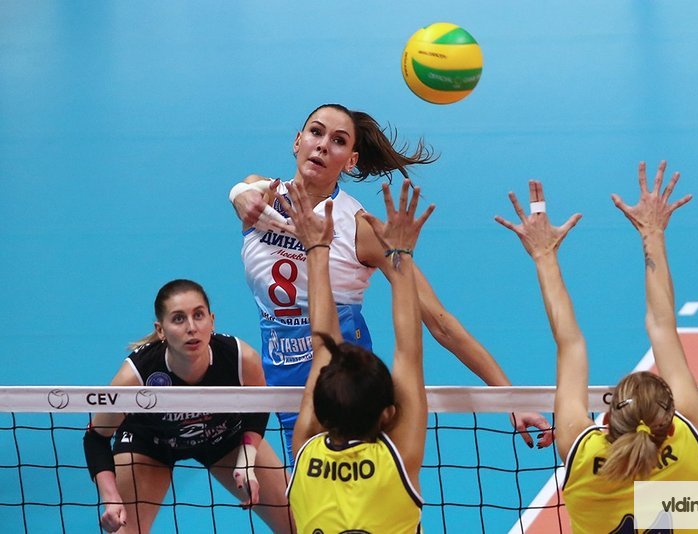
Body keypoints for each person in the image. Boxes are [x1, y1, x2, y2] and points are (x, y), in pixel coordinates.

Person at [229, 103, 552, 456]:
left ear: (351, 161)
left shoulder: (361, 228)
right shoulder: (261, 200)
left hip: (348, 392)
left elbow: (440, 322)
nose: (322, 145)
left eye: (338, 141)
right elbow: (245, 189)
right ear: (297, 141)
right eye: (316, 132)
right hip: (286, 387)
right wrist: (238, 194)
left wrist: (510, 398)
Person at [496, 162, 698, 533]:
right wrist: (653, 233)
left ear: (608, 420)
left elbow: (570, 344)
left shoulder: (581, 452)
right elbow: (662, 325)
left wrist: (544, 256)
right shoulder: (689, 433)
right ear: (669, 426)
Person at [82, 279, 293, 534]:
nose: (191, 328)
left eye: (199, 315)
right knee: (123, 531)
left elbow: (258, 408)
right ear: (161, 330)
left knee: (298, 521)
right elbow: (96, 437)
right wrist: (111, 498)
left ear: (212, 321)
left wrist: (247, 460)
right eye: (178, 319)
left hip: (224, 437)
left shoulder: (240, 358)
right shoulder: (136, 375)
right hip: (150, 444)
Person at [278, 178, 429, 532]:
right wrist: (401, 256)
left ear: (320, 413)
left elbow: (323, 348)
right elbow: (408, 352)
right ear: (388, 414)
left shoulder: (305, 449)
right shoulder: (398, 460)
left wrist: (316, 249)